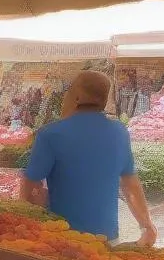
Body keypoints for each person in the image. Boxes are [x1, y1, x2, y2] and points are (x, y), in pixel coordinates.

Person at [20, 71, 155, 245]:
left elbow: (29, 187)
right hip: (106, 238)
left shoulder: (51, 134)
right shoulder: (119, 132)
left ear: (76, 97)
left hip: (61, 238)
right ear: (104, 100)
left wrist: (31, 220)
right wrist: (146, 225)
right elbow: (131, 186)